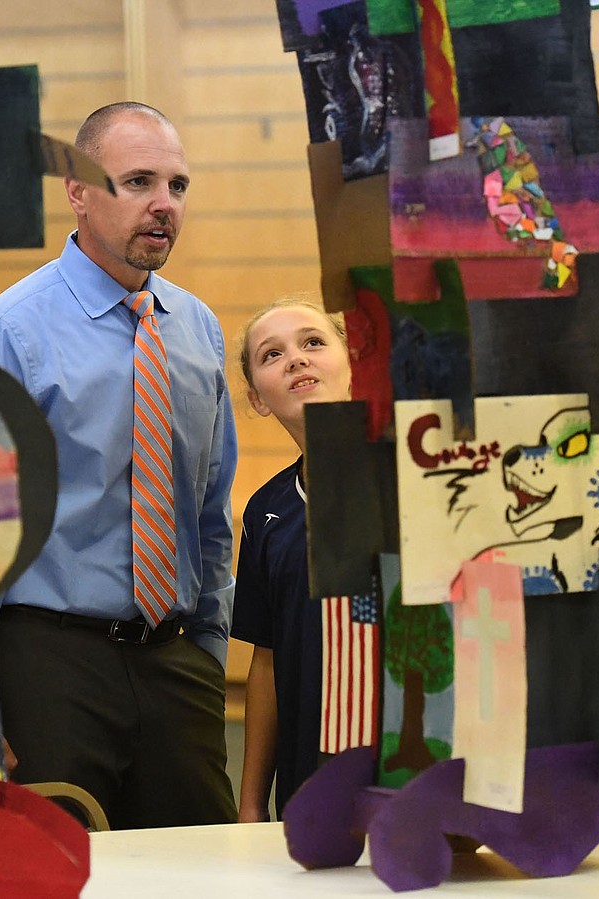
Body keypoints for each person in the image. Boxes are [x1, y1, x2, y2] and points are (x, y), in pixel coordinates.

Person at [0, 102, 238, 829]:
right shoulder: (10, 331)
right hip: (51, 664)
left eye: (178, 186)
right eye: (139, 180)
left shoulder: (198, 329)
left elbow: (210, 512)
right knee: (57, 871)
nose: (164, 205)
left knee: (197, 874)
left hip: (177, 660)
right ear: (79, 190)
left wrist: (208, 652)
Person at [231, 297, 352, 822]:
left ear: (356, 361)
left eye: (313, 342)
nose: (296, 359)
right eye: (272, 354)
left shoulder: (419, 476)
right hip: (312, 783)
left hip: (415, 777)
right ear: (258, 398)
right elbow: (267, 661)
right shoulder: (266, 512)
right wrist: (252, 801)